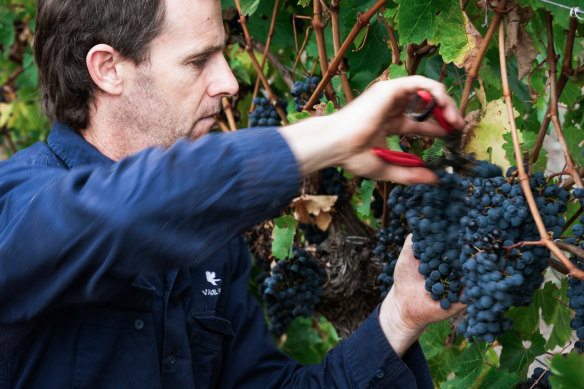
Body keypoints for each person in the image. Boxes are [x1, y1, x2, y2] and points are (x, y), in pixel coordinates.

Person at [0, 0, 466, 388]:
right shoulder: (16, 208)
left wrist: (401, 315)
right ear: (108, 69)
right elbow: (119, 217)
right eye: (198, 61)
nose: (229, 82)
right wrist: (328, 137)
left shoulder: (213, 250)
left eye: (223, 55)